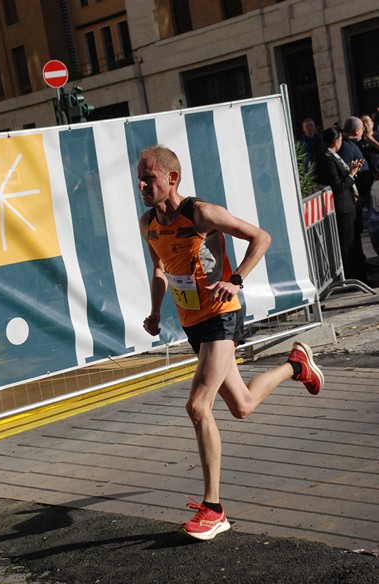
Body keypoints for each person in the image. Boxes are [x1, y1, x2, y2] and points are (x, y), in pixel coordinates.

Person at [137, 144, 324, 541]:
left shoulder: (202, 213)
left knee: (197, 405)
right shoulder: (148, 223)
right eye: (139, 177)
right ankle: (297, 366)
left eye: (148, 177)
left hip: (222, 315)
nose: (141, 184)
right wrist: (155, 311)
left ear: (172, 179)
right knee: (242, 406)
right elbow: (158, 269)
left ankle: (214, 508)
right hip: (193, 323)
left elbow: (262, 237)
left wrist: (235, 277)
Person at [316, 127, 366, 281]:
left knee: (355, 243)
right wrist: (351, 175)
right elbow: (337, 186)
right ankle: (352, 276)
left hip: (350, 205)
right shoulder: (327, 159)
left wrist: (352, 170)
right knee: (347, 245)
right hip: (342, 208)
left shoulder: (334, 156)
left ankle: (360, 274)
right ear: (336, 140)